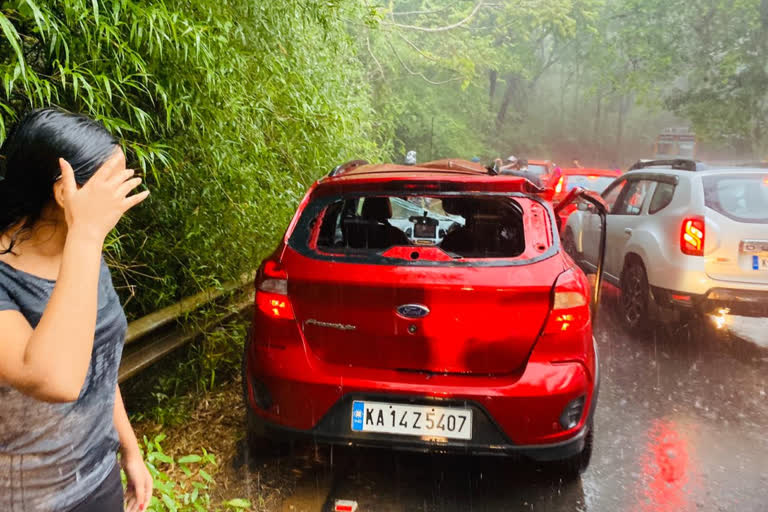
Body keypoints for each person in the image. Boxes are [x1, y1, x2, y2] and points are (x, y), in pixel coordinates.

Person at [0, 108, 152, 512]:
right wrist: (86, 235)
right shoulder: (78, 248)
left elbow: (96, 361)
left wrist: (130, 449)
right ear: (64, 192)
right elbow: (57, 379)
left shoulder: (84, 253)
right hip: (29, 501)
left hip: (98, 480)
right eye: (110, 182)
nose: (122, 193)